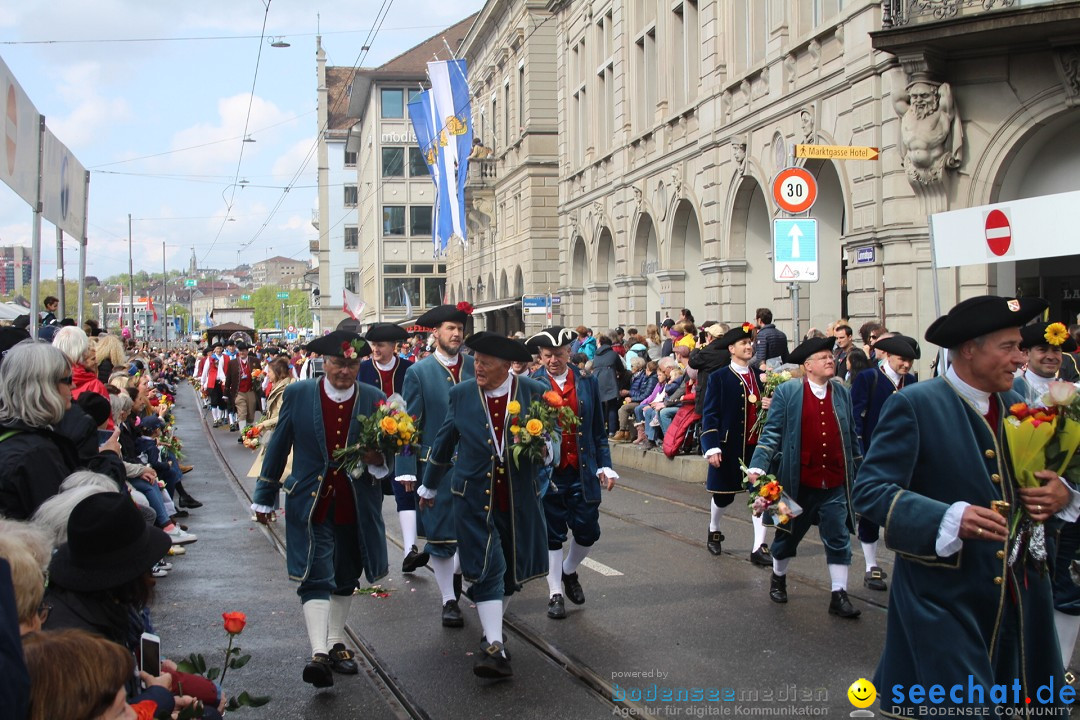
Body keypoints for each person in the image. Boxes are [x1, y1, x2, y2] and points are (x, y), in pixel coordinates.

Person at [853, 296, 1077, 716]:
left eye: (1021, 348)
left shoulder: (1019, 407)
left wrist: (1062, 492)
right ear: (970, 349)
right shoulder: (916, 404)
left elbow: (1046, 480)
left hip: (1020, 596)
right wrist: (947, 516)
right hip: (944, 600)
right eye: (1009, 347)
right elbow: (870, 490)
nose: (1019, 358)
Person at [252, 331, 389, 688]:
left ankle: (334, 641)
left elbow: (386, 453)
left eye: (352, 364)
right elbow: (278, 446)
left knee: (346, 573)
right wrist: (264, 494)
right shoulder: (299, 394)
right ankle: (318, 653)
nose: (345, 371)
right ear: (323, 363)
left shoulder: (375, 398)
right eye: (338, 363)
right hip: (310, 503)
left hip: (355, 502)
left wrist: (379, 458)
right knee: (316, 572)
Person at [419, 332, 554, 678]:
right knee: (490, 566)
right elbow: (444, 440)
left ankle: (492, 632)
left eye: (485, 362)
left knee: (508, 573)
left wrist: (544, 449)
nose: (476, 367)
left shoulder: (533, 392)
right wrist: (429, 486)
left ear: (507, 366)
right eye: (475, 360)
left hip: (517, 497)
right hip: (473, 498)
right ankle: (495, 645)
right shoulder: (461, 394)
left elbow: (550, 440)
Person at [746, 335, 863, 619]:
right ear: (808, 365)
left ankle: (839, 594)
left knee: (838, 537)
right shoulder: (789, 391)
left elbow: (851, 437)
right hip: (795, 481)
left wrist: (861, 471)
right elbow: (771, 433)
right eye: (823, 357)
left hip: (834, 481)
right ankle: (778, 577)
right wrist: (758, 466)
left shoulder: (841, 391)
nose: (830, 360)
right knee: (787, 536)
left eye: (830, 356)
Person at [528, 327, 618, 621]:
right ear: (540, 356)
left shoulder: (586, 382)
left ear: (569, 352)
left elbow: (597, 431)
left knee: (588, 530)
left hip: (582, 468)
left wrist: (605, 465)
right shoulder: (531, 384)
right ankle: (555, 592)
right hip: (548, 472)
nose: (553, 360)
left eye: (559, 354)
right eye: (547, 355)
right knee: (553, 534)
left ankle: (568, 572)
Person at [394, 304, 475, 628]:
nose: (456, 334)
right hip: (435, 467)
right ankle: (448, 600)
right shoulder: (419, 372)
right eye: (449, 328)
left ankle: (456, 577)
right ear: (436, 333)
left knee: (472, 533)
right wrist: (406, 468)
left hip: (473, 465)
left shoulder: (474, 366)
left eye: (459, 328)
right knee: (441, 538)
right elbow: (408, 425)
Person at [1012, 320, 1080, 674]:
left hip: (1069, 505)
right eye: (1043, 350)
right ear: (1028, 354)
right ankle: (1024, 671)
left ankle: (1060, 673)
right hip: (1027, 508)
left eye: (1056, 350)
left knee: (1068, 590)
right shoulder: (1013, 390)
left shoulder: (1073, 393)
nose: (1052, 356)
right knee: (1028, 591)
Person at [849, 334, 920, 592]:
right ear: (888, 356)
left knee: (903, 509)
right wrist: (860, 455)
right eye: (902, 360)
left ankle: (905, 565)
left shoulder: (911, 381)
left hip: (903, 455)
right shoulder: (869, 378)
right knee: (870, 512)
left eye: (910, 361)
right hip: (873, 453)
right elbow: (855, 418)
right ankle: (871, 565)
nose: (907, 365)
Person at [700, 323, 773, 565]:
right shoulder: (719, 378)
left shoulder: (760, 377)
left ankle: (759, 547)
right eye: (743, 343)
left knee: (762, 495)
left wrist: (769, 405)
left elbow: (767, 410)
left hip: (757, 448)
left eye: (750, 343)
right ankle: (714, 528)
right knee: (724, 497)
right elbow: (709, 414)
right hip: (729, 447)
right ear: (731, 348)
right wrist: (711, 446)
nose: (748, 346)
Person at [358, 322, 426, 573]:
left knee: (405, 487)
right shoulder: (362, 370)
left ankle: (410, 550)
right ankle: (368, 551)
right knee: (368, 496)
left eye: (380, 345)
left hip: (402, 439)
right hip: (369, 442)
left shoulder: (410, 370)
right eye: (373, 344)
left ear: (393, 346)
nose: (375, 349)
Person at [0, 342, 81, 520]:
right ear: (44, 386)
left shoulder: (13, 436)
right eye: (67, 380)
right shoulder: (36, 454)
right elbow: (60, 525)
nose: (73, 386)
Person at [200, 343, 229, 427]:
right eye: (217, 348)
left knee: (222, 401)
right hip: (213, 382)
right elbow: (205, 371)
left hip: (223, 382)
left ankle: (220, 418)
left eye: (220, 348)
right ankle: (215, 419)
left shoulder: (226, 357)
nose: (219, 350)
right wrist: (202, 383)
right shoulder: (210, 359)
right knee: (214, 401)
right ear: (214, 350)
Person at [232, 341, 260, 429]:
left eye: (243, 351)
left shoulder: (254, 361)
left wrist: (259, 378)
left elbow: (261, 374)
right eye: (240, 351)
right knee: (242, 413)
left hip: (251, 391)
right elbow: (228, 378)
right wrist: (225, 393)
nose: (242, 353)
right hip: (239, 392)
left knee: (250, 415)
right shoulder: (233, 363)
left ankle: (248, 431)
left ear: (247, 351)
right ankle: (243, 434)